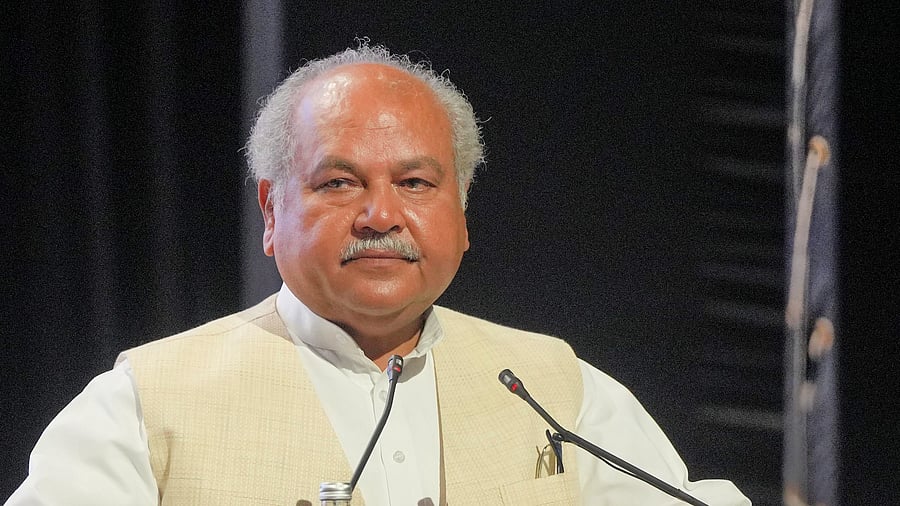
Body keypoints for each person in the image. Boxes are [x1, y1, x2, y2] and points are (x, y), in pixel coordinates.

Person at [7, 44, 750, 505]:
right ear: (271, 211)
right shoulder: (143, 404)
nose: (380, 216)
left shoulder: (556, 390)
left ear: (461, 214)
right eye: (339, 183)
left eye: (417, 185)